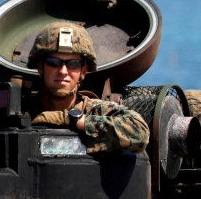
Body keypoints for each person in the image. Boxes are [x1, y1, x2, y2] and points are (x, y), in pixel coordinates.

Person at [24, 21, 149, 154]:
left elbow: (140, 134)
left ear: (83, 71)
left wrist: (70, 119)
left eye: (73, 64)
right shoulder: (20, 109)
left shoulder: (96, 111)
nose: (63, 71)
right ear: (40, 67)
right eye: (53, 63)